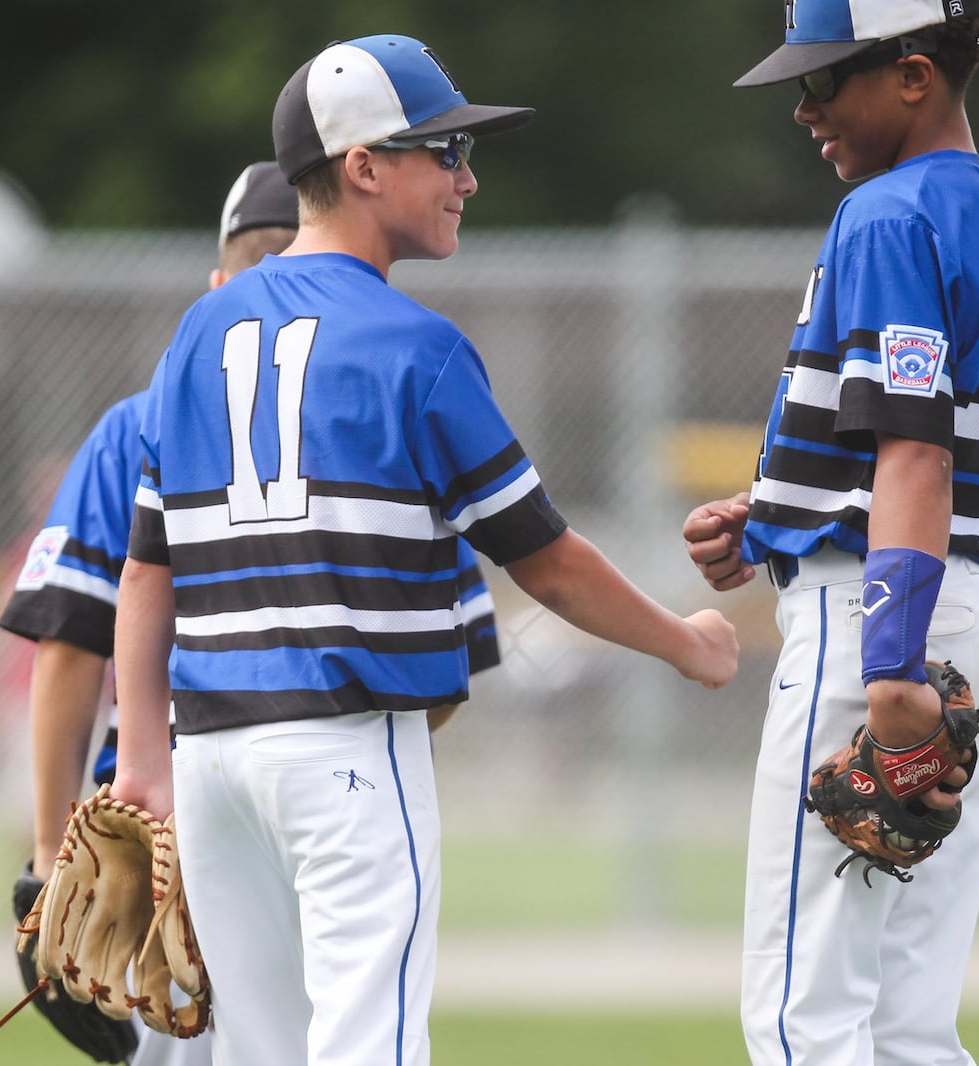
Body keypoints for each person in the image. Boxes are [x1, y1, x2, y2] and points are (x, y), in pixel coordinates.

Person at [107, 33, 739, 1066]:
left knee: (257, 1052)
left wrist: (143, 758)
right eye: (441, 152)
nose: (466, 177)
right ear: (361, 165)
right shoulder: (416, 347)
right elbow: (546, 561)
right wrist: (685, 641)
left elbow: (146, 569)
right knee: (371, 1046)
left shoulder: (195, 334)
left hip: (209, 753)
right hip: (343, 751)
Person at [0, 158, 504, 1063]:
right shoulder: (388, 386)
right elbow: (444, 673)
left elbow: (71, 644)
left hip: (163, 821)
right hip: (331, 802)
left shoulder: (141, 421)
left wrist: (47, 860)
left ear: (222, 286)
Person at [682, 2, 979, 1064]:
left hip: (884, 624)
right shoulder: (974, 204)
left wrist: (889, 670)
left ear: (914, 75)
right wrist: (789, 506)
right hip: (960, 602)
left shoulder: (889, 212)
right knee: (903, 1024)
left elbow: (915, 453)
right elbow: (926, 443)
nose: (804, 109)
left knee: (806, 1016)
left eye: (826, 80)